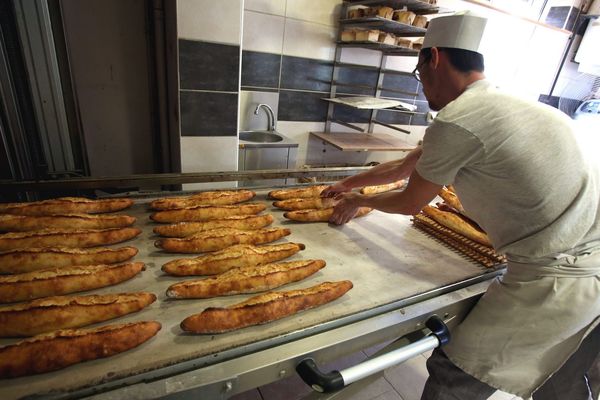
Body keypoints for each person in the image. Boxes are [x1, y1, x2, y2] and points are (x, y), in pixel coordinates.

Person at [321, 12, 600, 400]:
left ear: (433, 58)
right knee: (562, 383)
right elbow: (406, 166)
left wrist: (357, 200)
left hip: (558, 281)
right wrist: (350, 183)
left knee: (456, 372)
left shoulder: (460, 119)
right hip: (584, 270)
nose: (423, 90)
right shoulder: (501, 105)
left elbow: (409, 201)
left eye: (419, 74)